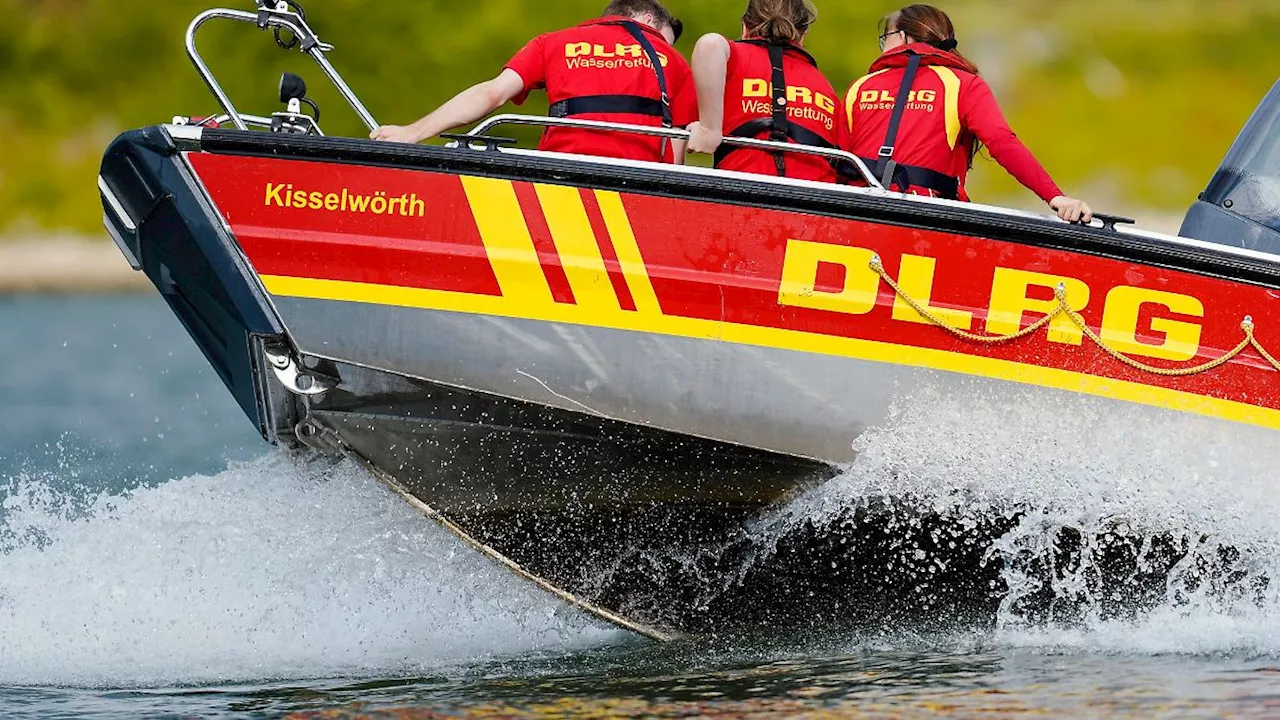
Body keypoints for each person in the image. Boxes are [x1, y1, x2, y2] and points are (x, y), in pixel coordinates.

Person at [844, 4, 1092, 223]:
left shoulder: (859, 87)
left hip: (854, 211)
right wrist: (1055, 196)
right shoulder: (964, 84)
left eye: (885, 37)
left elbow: (837, 159)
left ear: (902, 37)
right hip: (928, 217)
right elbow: (1002, 142)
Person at [371, 0, 697, 164]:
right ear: (648, 19)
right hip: (634, 185)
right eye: (662, 38)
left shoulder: (553, 43)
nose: (662, 46)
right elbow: (676, 153)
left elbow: (492, 94)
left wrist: (411, 133)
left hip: (556, 173)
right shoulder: (676, 63)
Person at [685, 0, 845, 182]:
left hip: (744, 192)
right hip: (814, 202)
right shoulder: (825, 86)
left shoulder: (732, 61)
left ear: (745, 27)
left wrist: (709, 129)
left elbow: (710, 44)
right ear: (802, 36)